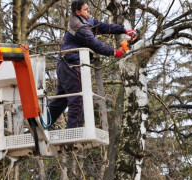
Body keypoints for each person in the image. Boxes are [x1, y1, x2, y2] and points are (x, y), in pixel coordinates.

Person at [48, 0, 136, 128]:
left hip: (66, 65)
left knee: (61, 100)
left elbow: (104, 27)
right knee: (78, 100)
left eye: (88, 8)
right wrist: (114, 52)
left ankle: (40, 124)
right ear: (78, 12)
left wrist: (124, 30)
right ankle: (72, 134)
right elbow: (96, 45)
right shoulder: (80, 27)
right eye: (85, 9)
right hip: (71, 65)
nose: (88, 11)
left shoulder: (86, 21)